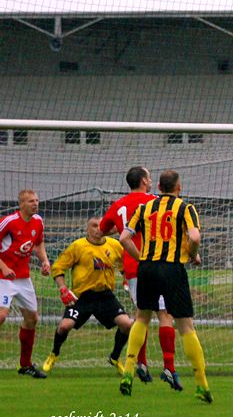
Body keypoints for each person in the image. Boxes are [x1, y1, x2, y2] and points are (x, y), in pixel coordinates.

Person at [118, 169, 212, 403]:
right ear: (179, 188)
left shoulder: (144, 208)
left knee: (141, 318)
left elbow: (123, 238)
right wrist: (193, 255)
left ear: (158, 188)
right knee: (186, 326)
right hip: (172, 269)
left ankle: (128, 372)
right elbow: (195, 237)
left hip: (147, 268)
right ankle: (201, 384)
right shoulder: (185, 208)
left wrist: (141, 258)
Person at [100, 166, 181, 390]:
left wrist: (120, 229)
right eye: (149, 176)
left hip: (133, 269)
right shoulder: (155, 202)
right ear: (145, 181)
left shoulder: (118, 205)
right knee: (165, 314)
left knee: (141, 316)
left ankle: (141, 364)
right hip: (157, 263)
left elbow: (102, 229)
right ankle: (169, 368)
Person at [41, 216, 133, 374]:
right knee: (64, 326)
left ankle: (115, 358)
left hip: (105, 296)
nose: (98, 229)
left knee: (127, 325)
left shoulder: (115, 245)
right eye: (94, 226)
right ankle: (54, 354)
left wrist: (126, 278)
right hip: (82, 297)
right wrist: (63, 289)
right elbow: (58, 268)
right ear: (87, 229)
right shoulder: (78, 246)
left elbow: (125, 265)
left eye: (101, 226)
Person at [0, 189, 51, 378]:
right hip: (3, 278)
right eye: (31, 201)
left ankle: (25, 365)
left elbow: (38, 243)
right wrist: (4, 267)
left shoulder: (37, 221)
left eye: (37, 200)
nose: (35, 203)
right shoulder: (9, 222)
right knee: (2, 316)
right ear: (21, 204)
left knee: (32, 319)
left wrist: (44, 261)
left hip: (23, 278)